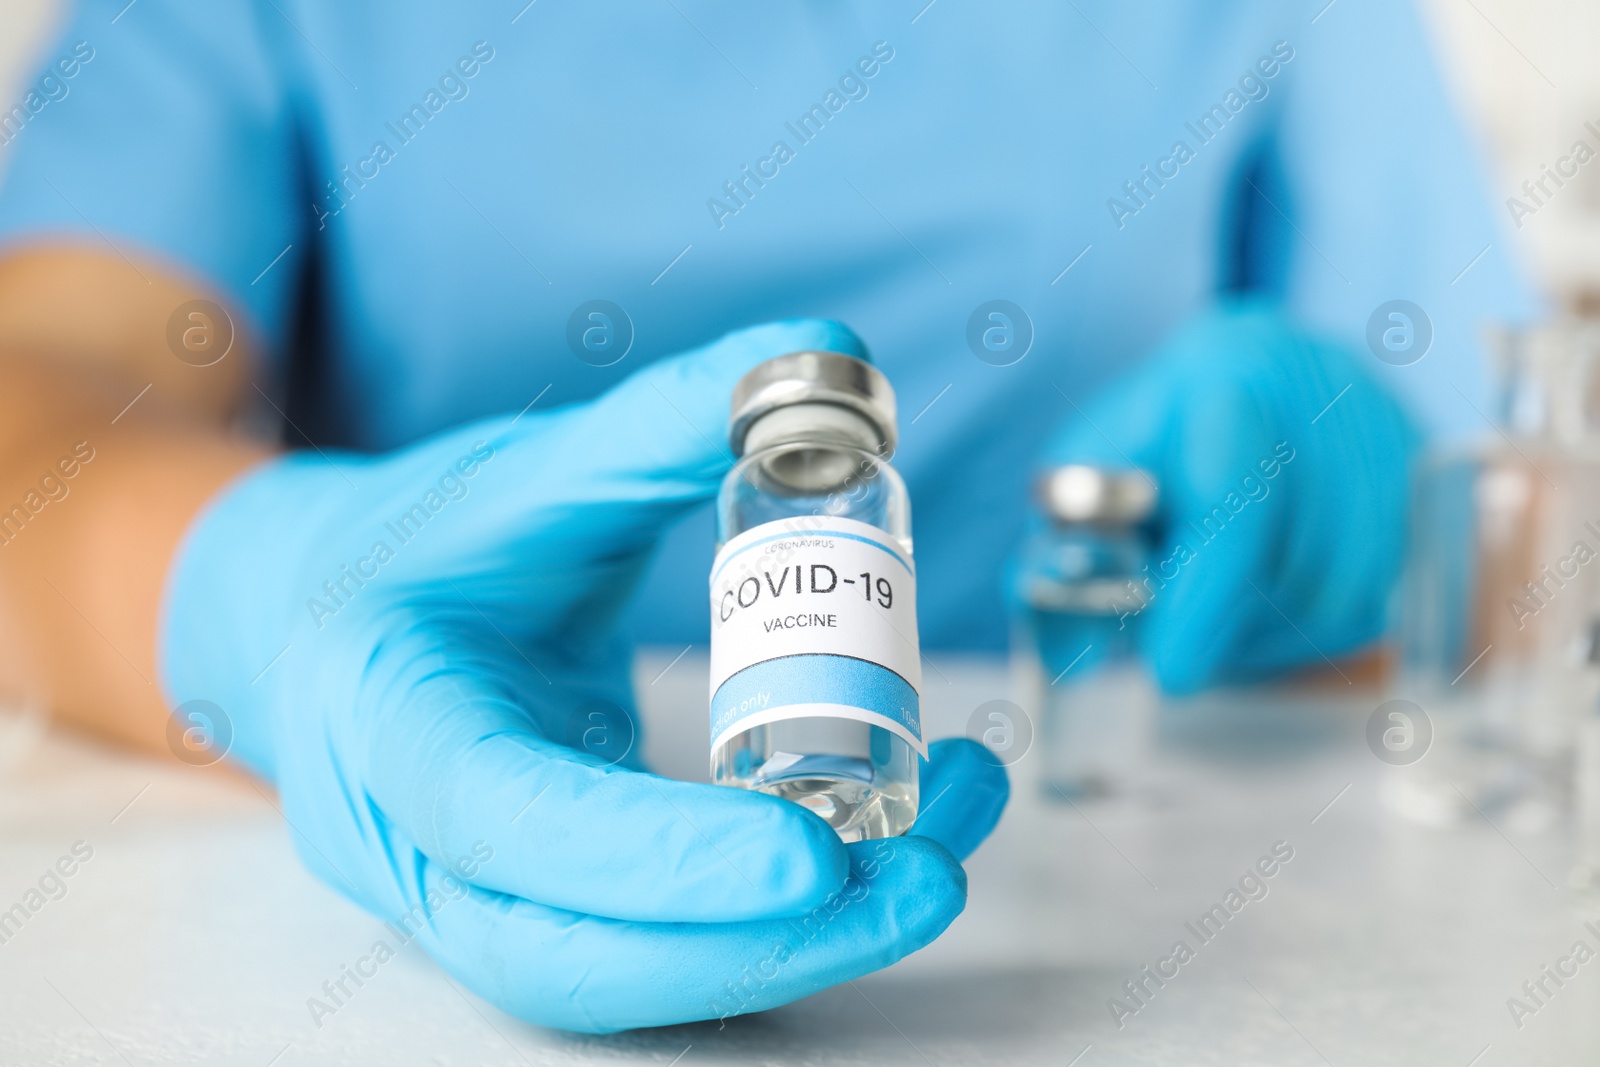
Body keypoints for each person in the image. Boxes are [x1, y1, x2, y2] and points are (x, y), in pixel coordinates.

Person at [0, 0, 1525, 1033]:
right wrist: (269, 600)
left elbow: (1515, 520)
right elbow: (45, 393)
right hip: (374, 908)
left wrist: (1380, 535)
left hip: (1145, 866)